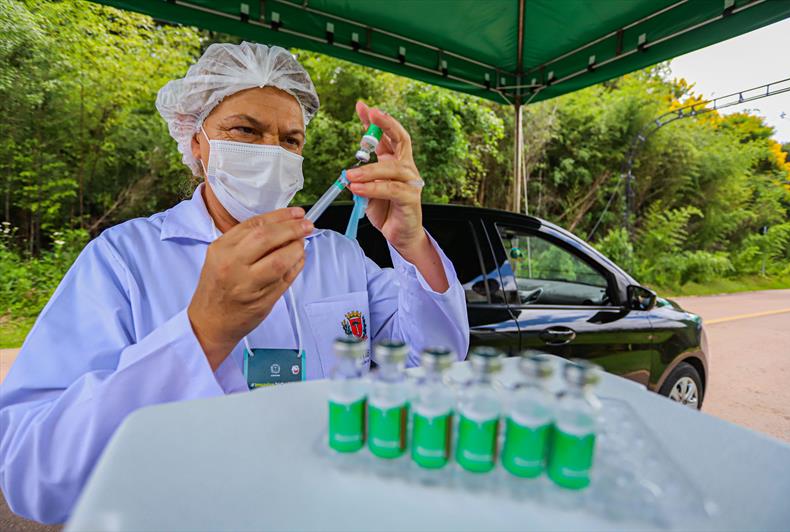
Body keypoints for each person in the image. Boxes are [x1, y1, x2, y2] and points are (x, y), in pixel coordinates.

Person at [0, 42, 469, 524]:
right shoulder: (124, 259)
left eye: (290, 140)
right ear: (197, 141)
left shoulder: (337, 255)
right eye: (245, 130)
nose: (272, 153)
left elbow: (434, 363)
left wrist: (410, 243)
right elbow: (34, 474)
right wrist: (203, 332)